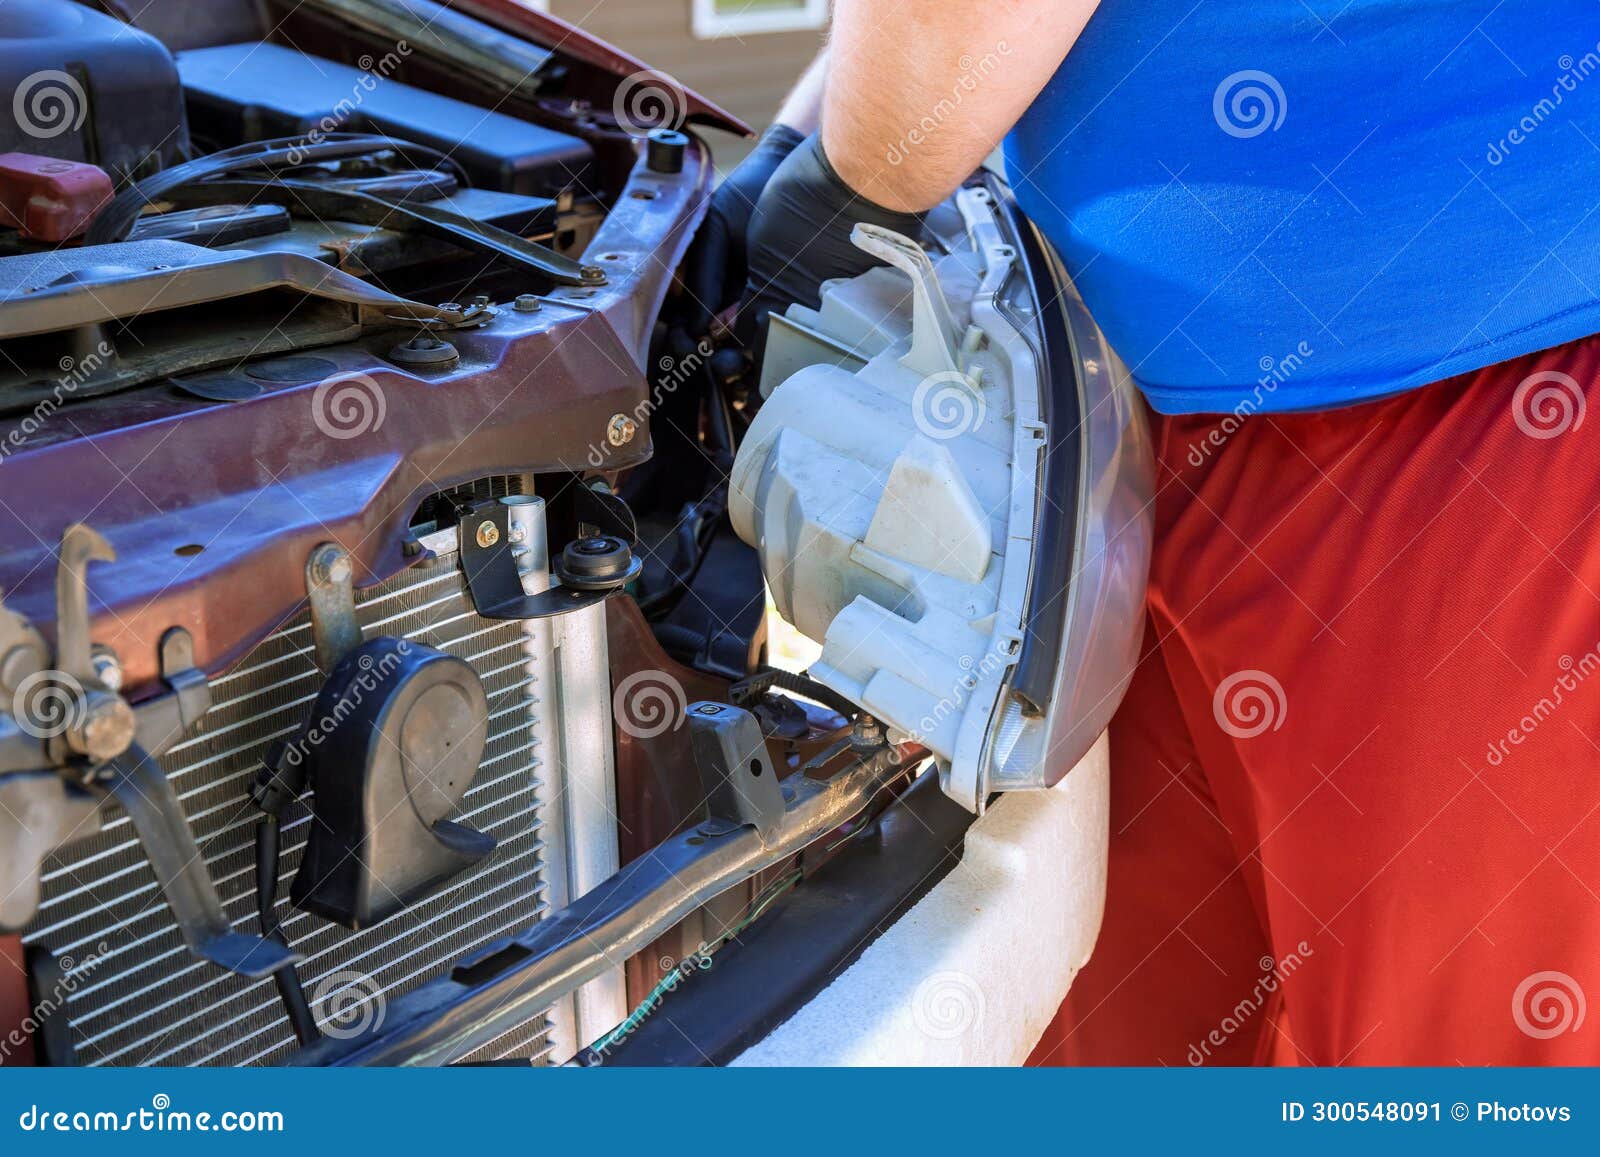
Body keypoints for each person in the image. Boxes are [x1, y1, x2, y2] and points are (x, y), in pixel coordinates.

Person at [679, 1, 1600, 1066]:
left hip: (1465, 393)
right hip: (1125, 425)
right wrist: (800, 159)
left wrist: (837, 195)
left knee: (1456, 1071)